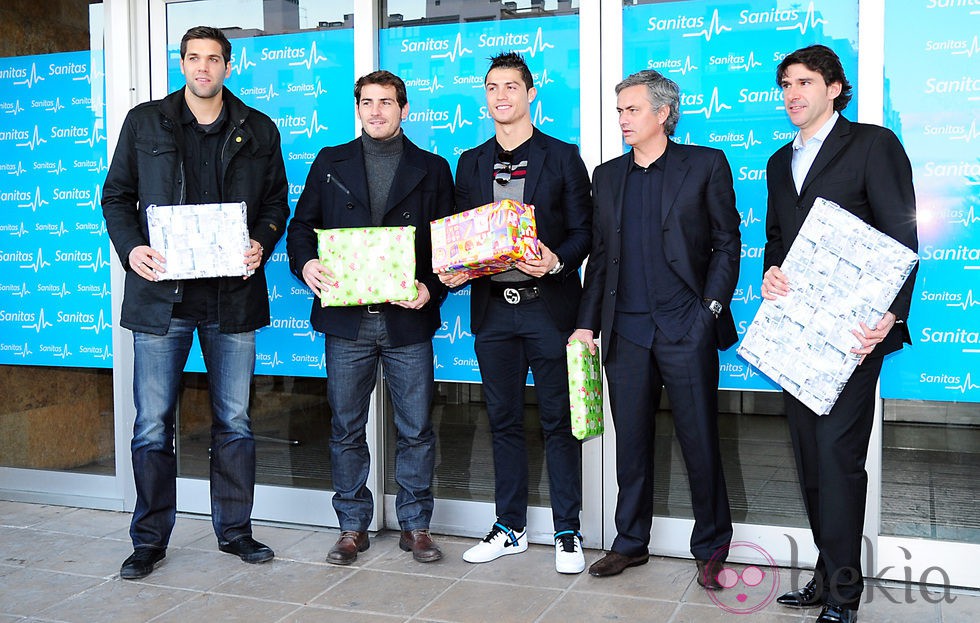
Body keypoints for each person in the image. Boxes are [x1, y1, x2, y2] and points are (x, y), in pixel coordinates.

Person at [102, 26, 288, 580]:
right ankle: (149, 539)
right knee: (153, 425)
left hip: (232, 298)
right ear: (181, 63)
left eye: (213, 59)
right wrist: (132, 248)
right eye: (193, 58)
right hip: (163, 299)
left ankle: (235, 532)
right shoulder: (145, 122)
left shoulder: (257, 128)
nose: (203, 68)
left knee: (235, 421)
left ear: (229, 66)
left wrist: (264, 239)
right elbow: (116, 197)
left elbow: (275, 201)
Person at [762, 45, 917, 623]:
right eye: (784, 85)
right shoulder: (781, 164)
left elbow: (901, 232)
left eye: (804, 82)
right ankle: (827, 577)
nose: (791, 94)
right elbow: (778, 239)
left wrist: (891, 316)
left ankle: (845, 597)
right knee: (808, 459)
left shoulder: (873, 144)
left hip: (856, 336)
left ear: (834, 88)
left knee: (838, 459)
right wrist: (770, 272)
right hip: (798, 336)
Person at [570, 69, 739, 586]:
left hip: (686, 330)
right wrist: (586, 324)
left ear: (663, 113)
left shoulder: (705, 165)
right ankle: (631, 543)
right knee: (632, 445)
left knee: (700, 443)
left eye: (631, 110)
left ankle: (710, 548)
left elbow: (726, 244)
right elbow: (600, 258)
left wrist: (708, 312)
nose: (622, 119)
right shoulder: (608, 175)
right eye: (619, 110)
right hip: (627, 333)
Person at [287, 70, 453, 565]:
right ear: (357, 109)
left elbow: (447, 245)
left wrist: (433, 287)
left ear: (405, 110)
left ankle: (416, 527)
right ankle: (351, 527)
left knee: (417, 428)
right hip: (348, 321)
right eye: (367, 102)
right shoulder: (330, 161)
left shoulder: (434, 168)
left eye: (386, 101)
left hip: (407, 321)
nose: (376, 110)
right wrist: (307, 264)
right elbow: (300, 228)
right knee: (344, 426)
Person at [440, 52, 592, 574]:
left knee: (559, 422)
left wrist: (556, 260)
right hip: (493, 315)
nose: (501, 95)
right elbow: (461, 233)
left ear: (531, 95)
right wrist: (456, 269)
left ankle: (568, 529)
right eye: (492, 87)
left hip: (548, 310)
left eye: (511, 86)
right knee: (502, 421)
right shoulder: (471, 161)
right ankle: (510, 527)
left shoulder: (563, 156)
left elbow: (583, 232)